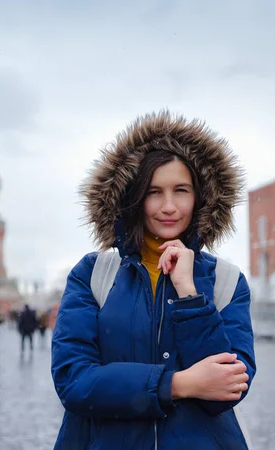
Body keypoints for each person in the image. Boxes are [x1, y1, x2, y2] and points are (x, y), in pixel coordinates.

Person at [51, 111, 256, 449]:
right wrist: (178, 384)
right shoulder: (93, 275)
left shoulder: (226, 282)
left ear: (200, 197)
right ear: (133, 198)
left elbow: (225, 392)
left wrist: (189, 294)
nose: (169, 206)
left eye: (181, 190)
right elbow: (74, 381)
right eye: (154, 192)